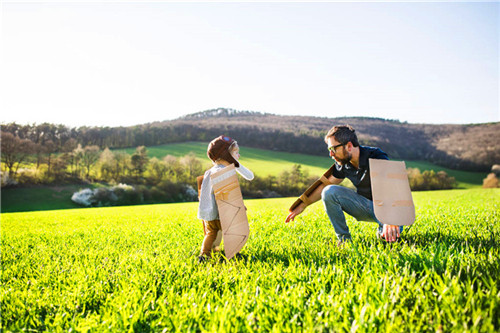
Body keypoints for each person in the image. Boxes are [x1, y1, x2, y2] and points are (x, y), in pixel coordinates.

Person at [285, 125, 403, 243]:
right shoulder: (343, 164)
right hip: (367, 207)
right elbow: (324, 186)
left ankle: (384, 229)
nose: (331, 154)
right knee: (329, 191)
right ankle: (344, 241)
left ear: (349, 146)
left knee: (388, 241)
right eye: (329, 150)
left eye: (333, 149)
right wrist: (303, 204)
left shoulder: (376, 156)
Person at [198, 135, 254, 261]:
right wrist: (239, 206)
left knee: (211, 233)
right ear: (225, 155)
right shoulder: (224, 172)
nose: (238, 156)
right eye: (236, 153)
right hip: (221, 213)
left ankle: (204, 254)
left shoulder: (209, 172)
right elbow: (226, 193)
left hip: (209, 213)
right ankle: (233, 254)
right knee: (233, 233)